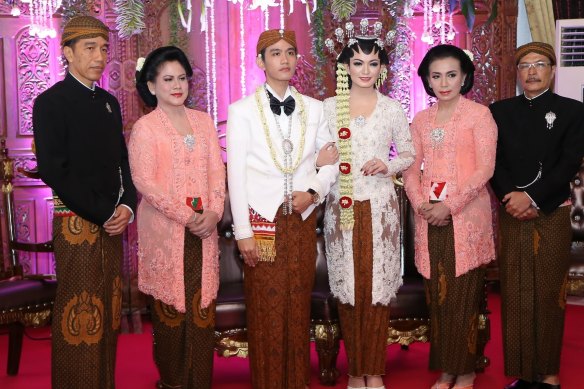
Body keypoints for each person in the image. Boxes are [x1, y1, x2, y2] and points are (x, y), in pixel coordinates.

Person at [226, 29, 338, 389]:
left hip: (301, 221)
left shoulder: (315, 108)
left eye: (290, 52)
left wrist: (314, 190)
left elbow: (333, 160)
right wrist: (242, 233)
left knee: (296, 304)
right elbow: (236, 176)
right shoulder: (241, 111)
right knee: (265, 309)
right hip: (261, 220)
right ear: (261, 61)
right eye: (275, 53)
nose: (284, 59)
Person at [32, 15, 137, 389]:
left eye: (104, 48)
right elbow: (54, 170)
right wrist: (104, 210)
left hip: (112, 223)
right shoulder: (50, 103)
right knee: (79, 315)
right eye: (89, 48)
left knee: (108, 314)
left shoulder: (108, 102)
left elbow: (122, 161)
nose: (99, 56)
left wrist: (126, 206)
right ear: (67, 52)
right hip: (76, 222)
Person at [322, 25, 415, 389]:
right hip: (341, 208)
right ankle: (354, 372)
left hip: (379, 209)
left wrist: (387, 164)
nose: (365, 70)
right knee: (349, 290)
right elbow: (316, 155)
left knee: (377, 291)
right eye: (357, 62)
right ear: (344, 66)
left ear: (382, 68)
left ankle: (373, 372)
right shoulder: (329, 108)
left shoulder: (392, 109)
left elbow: (408, 153)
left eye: (372, 63)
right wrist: (319, 159)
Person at [128, 46, 225, 389]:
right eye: (167, 79)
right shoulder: (146, 128)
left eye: (182, 78)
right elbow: (144, 182)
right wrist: (189, 215)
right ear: (151, 86)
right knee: (170, 315)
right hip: (167, 233)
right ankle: (171, 382)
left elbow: (217, 172)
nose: (176, 85)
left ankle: (199, 382)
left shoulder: (203, 121)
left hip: (204, 232)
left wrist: (213, 211)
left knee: (201, 314)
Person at [489, 42, 584, 389]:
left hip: (552, 213)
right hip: (512, 212)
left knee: (548, 293)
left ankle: (548, 372)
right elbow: (493, 162)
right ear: (517, 73)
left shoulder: (573, 111)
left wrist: (531, 197)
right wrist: (509, 198)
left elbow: (568, 163)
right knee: (514, 293)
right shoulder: (499, 111)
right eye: (525, 65)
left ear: (552, 70)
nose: (531, 71)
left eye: (539, 64)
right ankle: (522, 372)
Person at [403, 44, 497, 389]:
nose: (444, 82)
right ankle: (446, 369)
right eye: (436, 75)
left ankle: (467, 370)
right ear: (427, 80)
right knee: (438, 297)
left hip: (466, 217)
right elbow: (411, 170)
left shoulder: (479, 115)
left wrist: (450, 204)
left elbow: (485, 169)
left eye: (451, 75)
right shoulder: (421, 119)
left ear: (464, 77)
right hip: (429, 218)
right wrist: (421, 204)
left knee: (464, 298)